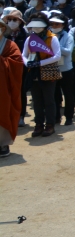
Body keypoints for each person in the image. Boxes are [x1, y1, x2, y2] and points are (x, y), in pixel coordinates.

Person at [23, 13, 61, 137]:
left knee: (49, 100)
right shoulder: (29, 39)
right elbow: (24, 54)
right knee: (37, 101)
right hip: (33, 73)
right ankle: (38, 124)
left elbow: (57, 56)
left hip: (48, 72)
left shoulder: (52, 38)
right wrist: (27, 63)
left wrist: (40, 63)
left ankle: (50, 125)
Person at [0, 18, 23, 157]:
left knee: (4, 111)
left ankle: (3, 144)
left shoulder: (10, 45)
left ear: (3, 29)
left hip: (4, 87)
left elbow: (17, 63)